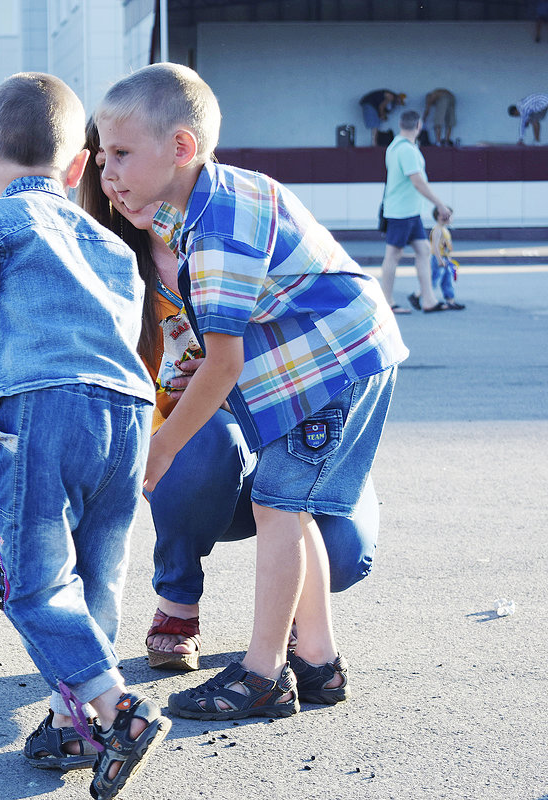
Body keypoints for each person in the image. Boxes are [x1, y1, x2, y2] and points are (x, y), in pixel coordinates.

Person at [97, 63, 407, 721]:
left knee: (277, 506)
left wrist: (162, 448)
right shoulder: (210, 200)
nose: (108, 171)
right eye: (101, 155)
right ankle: (318, 662)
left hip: (333, 367)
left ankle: (263, 674)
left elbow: (222, 364)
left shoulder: (216, 232)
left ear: (180, 147)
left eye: (121, 152)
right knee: (286, 508)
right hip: (328, 361)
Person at [0, 72, 169, 800]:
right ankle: (74, 722)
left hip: (43, 411)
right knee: (98, 570)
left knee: (31, 583)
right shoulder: (112, 246)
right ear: (76, 167)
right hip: (124, 410)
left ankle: (118, 712)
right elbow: (105, 341)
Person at [380, 109, 453, 314]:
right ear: (419, 125)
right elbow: (417, 181)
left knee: (423, 251)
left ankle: (429, 299)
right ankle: (387, 302)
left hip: (406, 211)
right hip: (402, 212)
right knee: (393, 255)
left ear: (401, 125)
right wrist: (439, 204)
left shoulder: (395, 146)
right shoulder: (407, 151)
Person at [429, 207, 465, 311]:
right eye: (449, 215)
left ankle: (450, 301)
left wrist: (448, 259)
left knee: (447, 280)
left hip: (445, 259)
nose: (451, 218)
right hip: (438, 259)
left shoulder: (444, 230)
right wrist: (439, 260)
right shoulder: (437, 230)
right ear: (440, 216)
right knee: (434, 280)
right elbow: (434, 247)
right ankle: (419, 295)